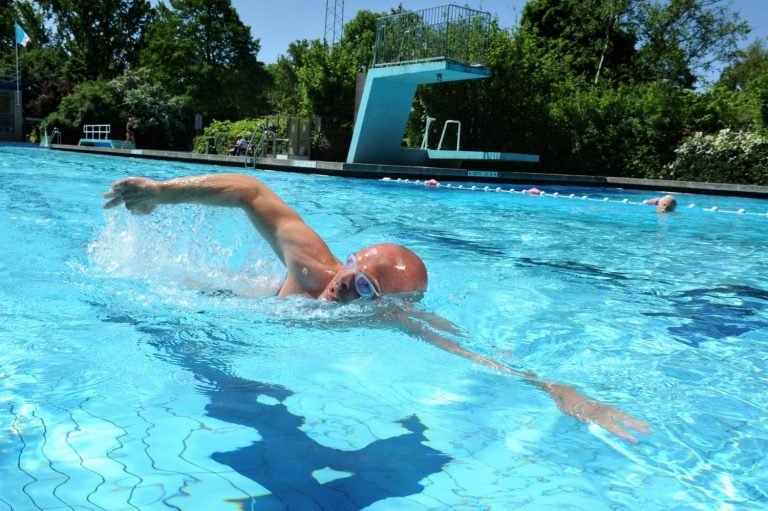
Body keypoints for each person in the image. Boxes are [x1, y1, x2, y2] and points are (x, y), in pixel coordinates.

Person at [103, 173, 651, 443]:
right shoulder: (312, 268)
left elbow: (475, 353)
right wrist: (163, 191)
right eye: (354, 276)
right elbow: (250, 191)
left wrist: (562, 391)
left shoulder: (393, 315)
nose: (346, 291)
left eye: (367, 292)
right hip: (253, 303)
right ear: (350, 259)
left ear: (388, 305)